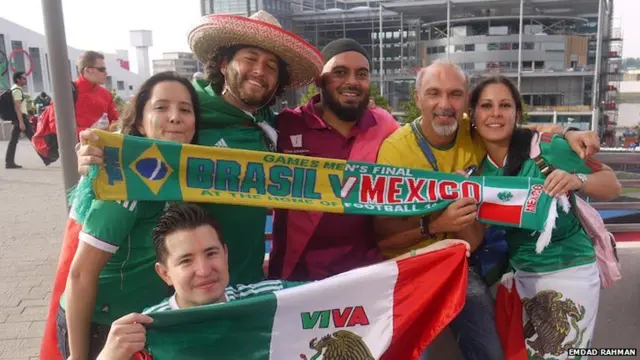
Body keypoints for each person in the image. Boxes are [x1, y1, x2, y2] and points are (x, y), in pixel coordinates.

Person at [76, 11, 324, 286]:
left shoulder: (270, 125)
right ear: (223, 63)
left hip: (249, 289)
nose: (259, 71)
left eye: (271, 67)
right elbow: (132, 141)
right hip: (186, 292)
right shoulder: (186, 115)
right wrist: (93, 158)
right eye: (250, 59)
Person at [374, 61, 601, 360]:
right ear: (417, 98)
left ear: (466, 102)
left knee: (493, 353)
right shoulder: (395, 150)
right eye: (433, 93)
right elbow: (383, 240)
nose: (444, 104)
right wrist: (436, 222)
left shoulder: (473, 134)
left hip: (466, 265)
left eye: (455, 94)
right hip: (412, 267)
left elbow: (512, 128)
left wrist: (567, 132)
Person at [95, 203, 471, 360]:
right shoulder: (147, 329)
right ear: (164, 273)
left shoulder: (267, 299)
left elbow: (349, 289)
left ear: (226, 254)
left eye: (211, 254)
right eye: (186, 261)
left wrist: (427, 259)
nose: (204, 269)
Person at [469, 75, 620, 359]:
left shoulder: (549, 148)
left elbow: (612, 184)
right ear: (474, 115)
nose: (496, 114)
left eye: (505, 105)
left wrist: (577, 180)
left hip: (570, 272)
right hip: (520, 278)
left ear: (517, 113)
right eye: (486, 106)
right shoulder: (478, 172)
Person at [56, 71, 200, 360]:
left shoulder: (183, 171)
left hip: (139, 321)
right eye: (161, 107)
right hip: (100, 327)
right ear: (139, 122)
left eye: (185, 109)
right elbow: (80, 273)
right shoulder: (128, 181)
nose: (175, 117)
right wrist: (78, 356)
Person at [268, 38, 400, 281]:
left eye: (362, 74)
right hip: (294, 280)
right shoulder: (286, 125)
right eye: (340, 72)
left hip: (365, 279)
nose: (352, 81)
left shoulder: (385, 126)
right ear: (319, 79)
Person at [5, 71, 31, 169]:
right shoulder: (17, 91)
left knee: (13, 140)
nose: (25, 80)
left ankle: (9, 162)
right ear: (18, 80)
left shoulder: (15, 89)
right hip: (20, 118)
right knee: (34, 137)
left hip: (20, 117)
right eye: (23, 78)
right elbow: (17, 107)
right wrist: (21, 122)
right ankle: (47, 157)